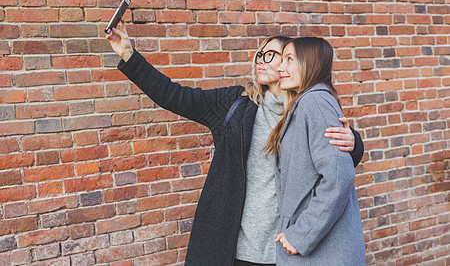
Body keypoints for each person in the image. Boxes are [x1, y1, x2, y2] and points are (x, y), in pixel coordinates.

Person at [106, 21, 364, 266]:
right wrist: (130, 55)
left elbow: (332, 163)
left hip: (289, 250)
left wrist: (355, 142)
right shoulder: (234, 103)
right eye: (260, 54)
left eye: (274, 55)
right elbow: (175, 96)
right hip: (237, 249)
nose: (261, 59)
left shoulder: (306, 108)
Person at [265, 37, 366, 265]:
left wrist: (301, 234)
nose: (280, 67)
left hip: (321, 252)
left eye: (289, 59)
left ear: (311, 63)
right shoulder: (305, 103)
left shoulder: (315, 103)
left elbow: (339, 177)